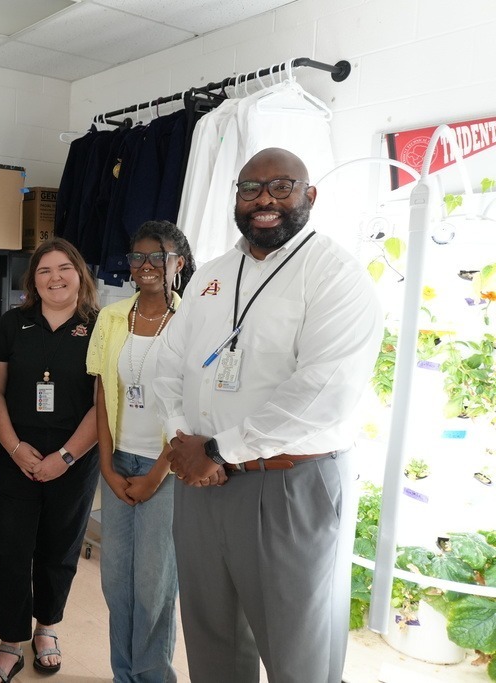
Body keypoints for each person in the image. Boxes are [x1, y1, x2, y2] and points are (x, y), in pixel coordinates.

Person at [153, 148, 383, 683]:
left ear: (309, 195)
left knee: (297, 651)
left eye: (281, 187)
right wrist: (183, 441)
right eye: (250, 189)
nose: (264, 200)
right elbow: (167, 363)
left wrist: (218, 449)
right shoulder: (213, 274)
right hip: (201, 482)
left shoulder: (334, 274)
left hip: (288, 483)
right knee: (211, 639)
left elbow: (323, 390)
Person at [0, 238, 100, 683]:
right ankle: (10, 640)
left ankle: (46, 627)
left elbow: (102, 405)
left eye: (64, 267)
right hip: (15, 456)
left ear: (80, 274)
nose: (55, 277)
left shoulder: (99, 327)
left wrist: (65, 457)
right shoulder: (13, 324)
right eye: (44, 270)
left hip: (75, 459)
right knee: (11, 550)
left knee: (60, 548)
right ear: (32, 280)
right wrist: (15, 448)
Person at [86, 220, 195, 682]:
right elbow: (102, 394)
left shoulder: (193, 322)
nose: (146, 265)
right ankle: (123, 675)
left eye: (158, 257)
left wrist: (155, 476)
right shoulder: (112, 318)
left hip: (166, 469)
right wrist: (107, 466)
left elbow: (193, 408)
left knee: (154, 587)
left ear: (178, 263)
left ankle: (152, 676)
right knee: (115, 583)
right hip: (119, 461)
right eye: (137, 257)